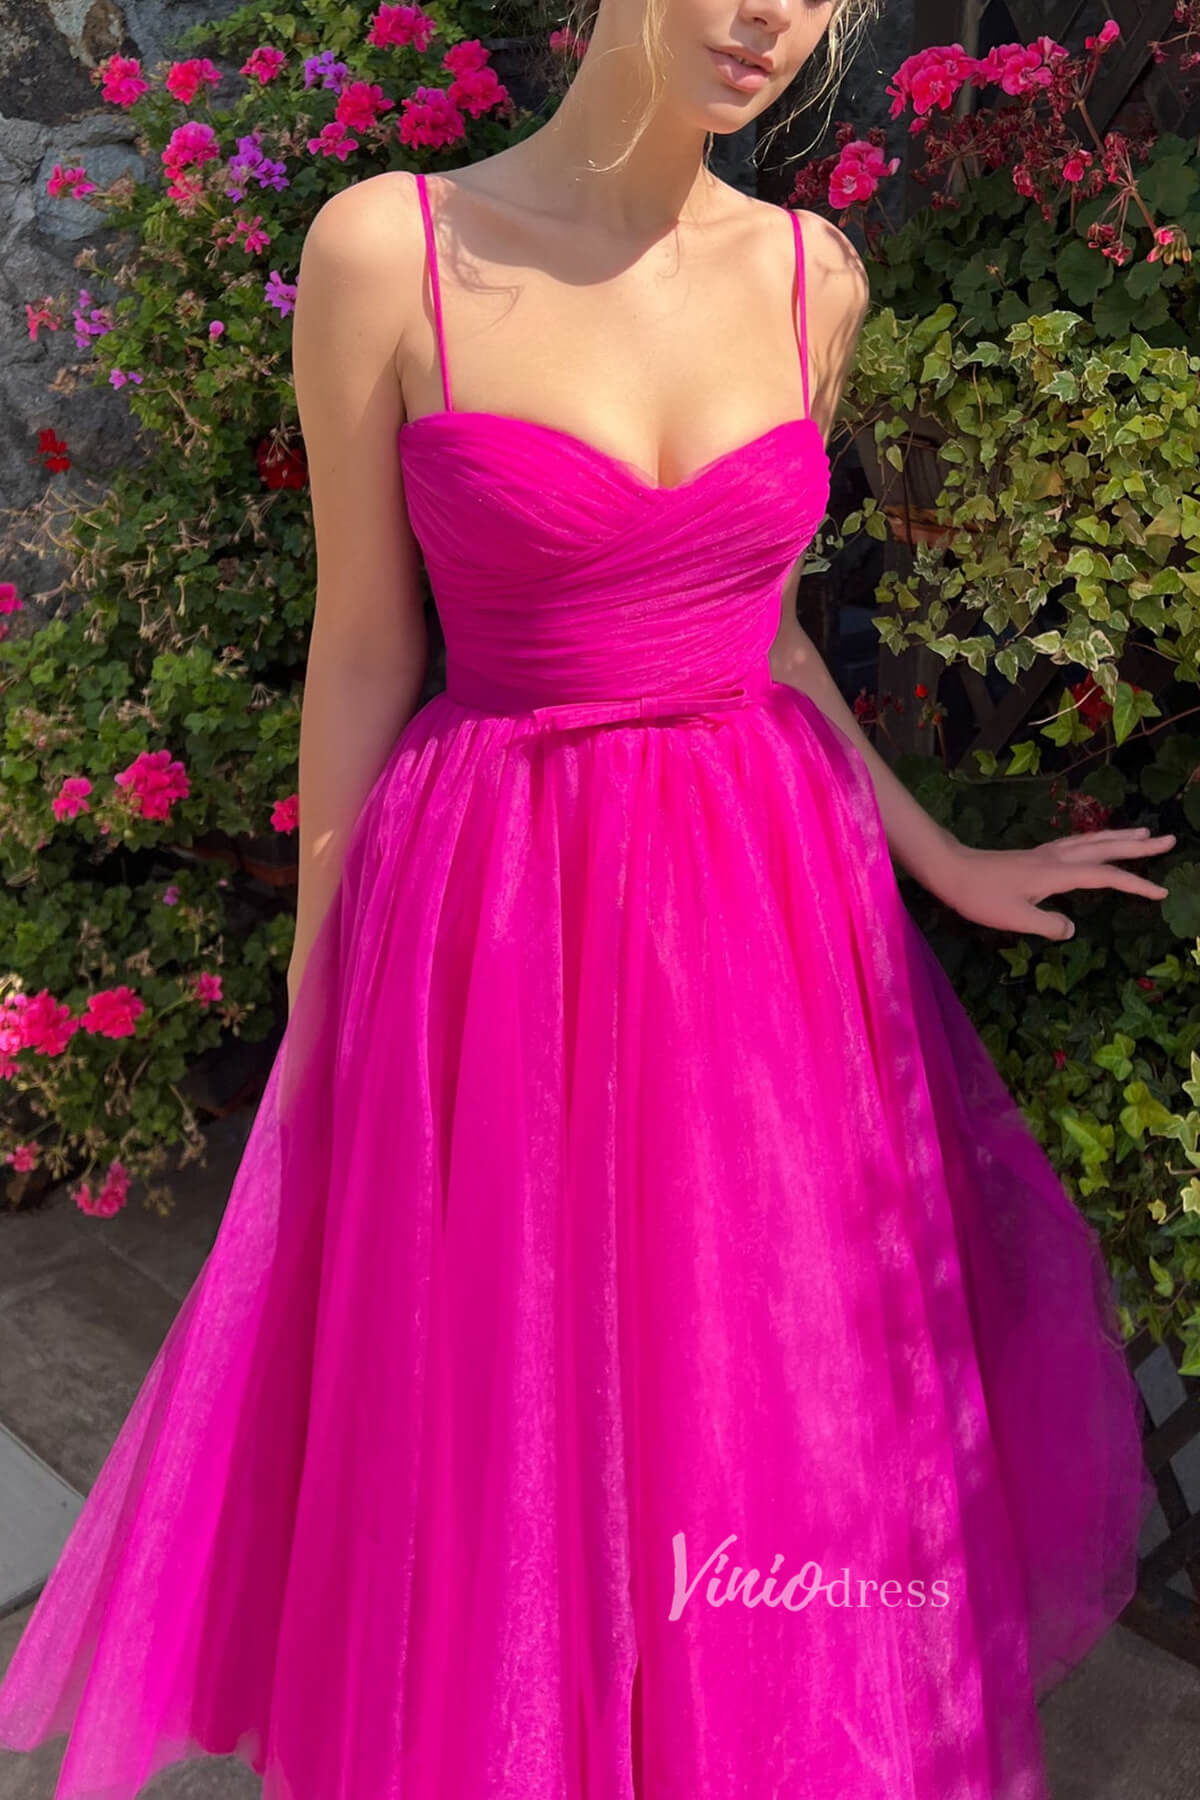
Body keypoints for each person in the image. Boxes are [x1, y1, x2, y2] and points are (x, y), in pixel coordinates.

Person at [0, 1, 1171, 1796]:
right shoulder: (391, 251)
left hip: (764, 920)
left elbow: (768, 632)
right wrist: (322, 990)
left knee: (752, 1384)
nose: (772, 15)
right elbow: (362, 648)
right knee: (511, 1409)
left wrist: (940, 854)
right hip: (499, 914)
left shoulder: (814, 279)